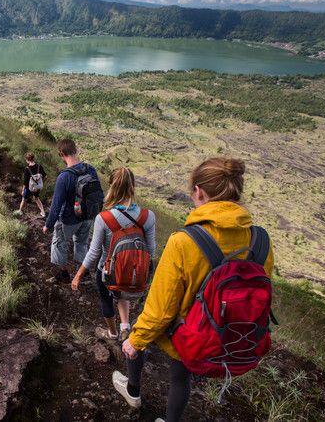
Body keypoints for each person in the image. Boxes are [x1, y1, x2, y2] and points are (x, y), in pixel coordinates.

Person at [114, 157, 274, 421]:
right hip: (230, 339)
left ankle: (132, 391)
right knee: (181, 377)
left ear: (199, 191)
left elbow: (160, 310)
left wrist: (136, 340)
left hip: (189, 337)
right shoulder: (261, 241)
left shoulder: (184, 242)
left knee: (149, 341)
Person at [71, 167, 156, 342]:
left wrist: (78, 275)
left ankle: (113, 333)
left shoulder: (104, 218)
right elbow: (152, 250)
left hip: (107, 272)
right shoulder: (148, 217)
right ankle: (125, 325)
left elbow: (94, 252)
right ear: (133, 186)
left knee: (106, 299)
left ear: (112, 187)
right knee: (122, 291)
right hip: (132, 272)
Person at [43, 139, 104, 283]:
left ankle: (63, 274)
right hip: (88, 216)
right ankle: (84, 274)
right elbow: (99, 194)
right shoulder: (90, 169)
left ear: (61, 154)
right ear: (75, 150)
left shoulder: (64, 177)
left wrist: (48, 225)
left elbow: (56, 206)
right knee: (82, 243)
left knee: (59, 243)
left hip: (69, 219)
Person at [15, 152, 47, 218]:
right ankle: (43, 212)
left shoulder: (27, 169)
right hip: (37, 186)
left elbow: (26, 181)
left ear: (27, 160)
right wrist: (40, 181)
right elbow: (45, 176)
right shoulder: (39, 166)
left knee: (24, 199)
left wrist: (23, 190)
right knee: (37, 198)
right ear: (33, 158)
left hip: (29, 187)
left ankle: (20, 211)